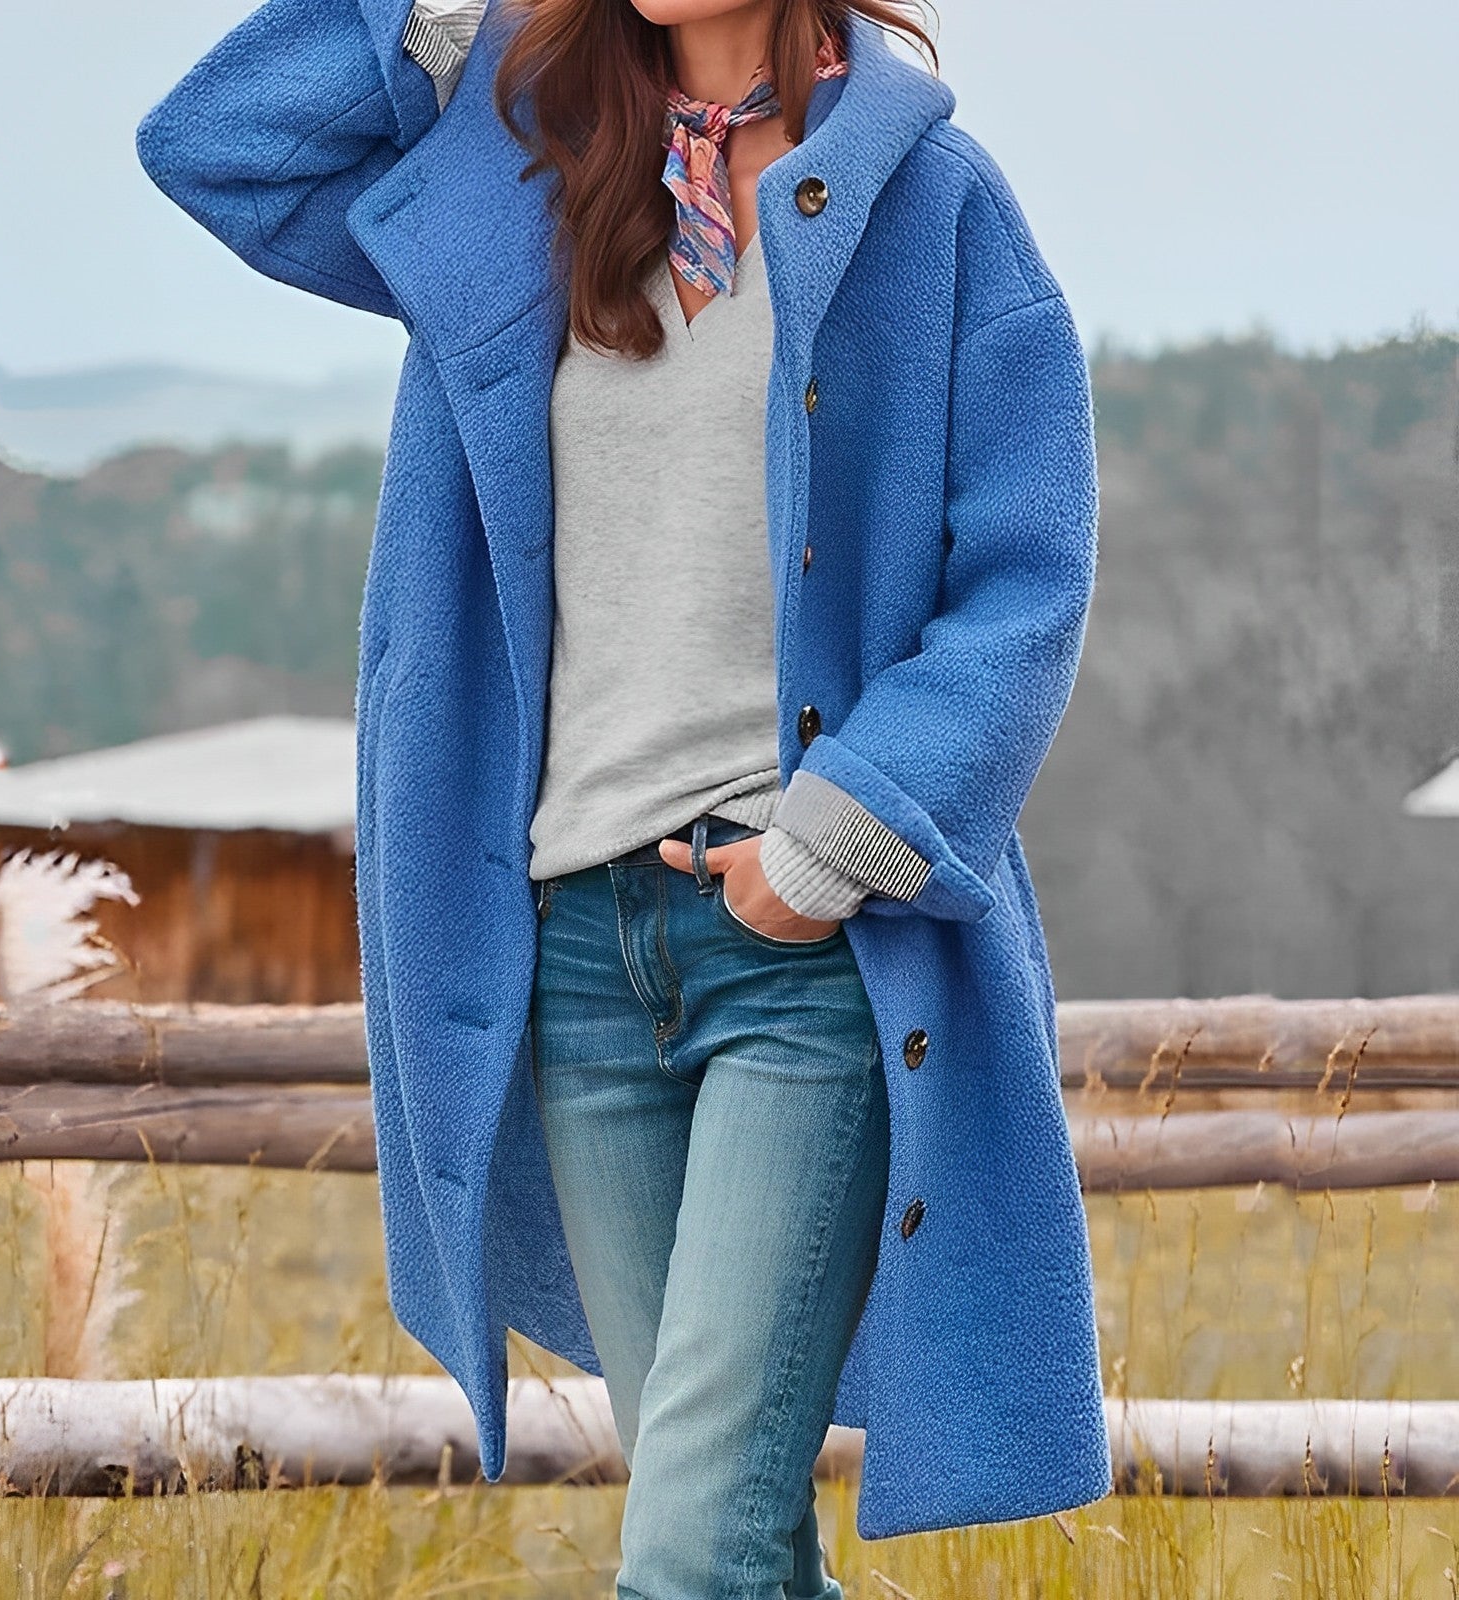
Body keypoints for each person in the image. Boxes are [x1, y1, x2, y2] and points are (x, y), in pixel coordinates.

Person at [138, 0, 1113, 1590]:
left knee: (686, 1549)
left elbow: (1026, 582)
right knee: (728, 1536)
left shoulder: (931, 205)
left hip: (800, 949)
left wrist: (831, 844)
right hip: (576, 959)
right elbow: (219, 147)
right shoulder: (533, 179)